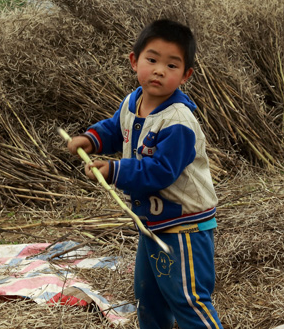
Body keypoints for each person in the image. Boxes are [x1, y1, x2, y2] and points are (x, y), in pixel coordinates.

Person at [66, 19, 223, 329]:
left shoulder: (178, 121)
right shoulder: (133, 102)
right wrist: (91, 139)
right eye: (152, 60)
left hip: (184, 227)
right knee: (148, 296)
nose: (160, 70)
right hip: (153, 223)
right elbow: (116, 129)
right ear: (134, 61)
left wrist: (114, 170)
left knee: (187, 299)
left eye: (171, 65)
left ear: (186, 74)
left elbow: (161, 171)